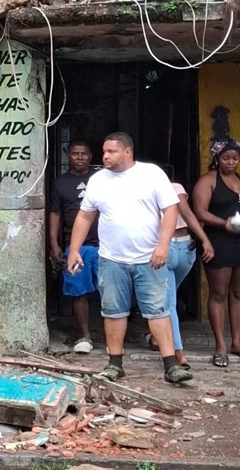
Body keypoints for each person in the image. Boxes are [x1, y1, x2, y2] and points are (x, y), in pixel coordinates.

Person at [67, 132, 192, 384]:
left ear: (127, 151)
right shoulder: (98, 180)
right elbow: (85, 216)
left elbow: (170, 210)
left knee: (158, 311)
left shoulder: (151, 174)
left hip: (149, 258)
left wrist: (163, 246)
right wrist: (73, 249)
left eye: (111, 151)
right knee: (113, 312)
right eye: (104, 151)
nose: (105, 156)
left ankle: (171, 366)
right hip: (111, 259)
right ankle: (115, 364)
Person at [192, 139, 240, 367]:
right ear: (217, 158)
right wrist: (224, 223)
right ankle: (220, 346)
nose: (231, 162)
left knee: (239, 292)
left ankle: (237, 343)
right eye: (226, 158)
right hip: (219, 241)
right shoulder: (207, 181)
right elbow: (200, 212)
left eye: (235, 158)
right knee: (219, 293)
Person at [145, 180, 215, 368]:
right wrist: (204, 239)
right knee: (167, 298)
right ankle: (157, 337)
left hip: (164, 249)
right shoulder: (175, 187)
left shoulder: (145, 190)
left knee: (168, 302)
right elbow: (187, 213)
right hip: (186, 248)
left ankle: (178, 351)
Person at [49, 140, 99, 354]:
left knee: (112, 291)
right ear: (68, 156)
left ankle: (114, 336)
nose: (80, 157)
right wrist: (54, 243)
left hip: (105, 245)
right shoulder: (60, 183)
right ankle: (85, 335)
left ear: (91, 157)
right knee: (79, 292)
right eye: (75, 153)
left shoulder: (101, 179)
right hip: (76, 247)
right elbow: (55, 214)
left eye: (84, 153)